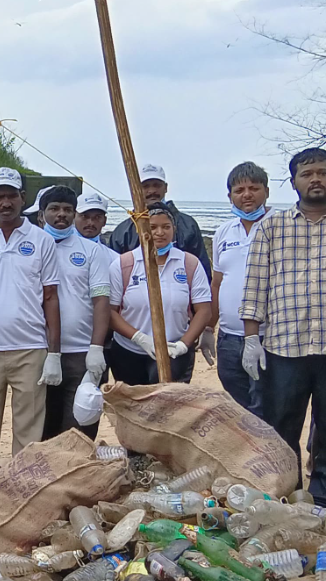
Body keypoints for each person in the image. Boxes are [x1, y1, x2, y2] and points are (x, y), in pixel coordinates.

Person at [0, 168, 61, 485]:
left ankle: (21, 498)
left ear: (23, 198)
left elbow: (50, 297)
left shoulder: (42, 241)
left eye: (11, 195)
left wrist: (54, 353)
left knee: (28, 435)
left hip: (30, 351)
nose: (5, 202)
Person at [241, 147, 326, 499]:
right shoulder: (272, 227)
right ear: (293, 182)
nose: (316, 179)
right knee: (282, 426)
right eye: (307, 174)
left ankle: (321, 498)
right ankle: (287, 493)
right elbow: (255, 284)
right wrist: (250, 339)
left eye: (322, 172)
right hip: (283, 346)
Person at [108, 164, 213, 360]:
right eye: (145, 186)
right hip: (131, 347)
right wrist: (138, 338)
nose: (151, 191)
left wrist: (198, 333)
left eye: (156, 185)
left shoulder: (187, 225)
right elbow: (112, 300)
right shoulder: (123, 231)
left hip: (177, 341)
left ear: (165, 187)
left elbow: (203, 286)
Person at [37, 186, 112, 440]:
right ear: (41, 214)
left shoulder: (91, 251)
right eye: (54, 209)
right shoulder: (33, 247)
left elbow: (102, 300)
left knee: (80, 429)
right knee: (43, 429)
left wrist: (96, 348)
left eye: (68, 210)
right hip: (39, 351)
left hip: (81, 355)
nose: (61, 215)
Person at [212, 162, 271, 418]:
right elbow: (217, 282)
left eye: (253, 188)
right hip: (227, 338)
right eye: (239, 190)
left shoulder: (279, 226)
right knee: (238, 409)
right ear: (230, 196)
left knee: (265, 407)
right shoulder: (223, 232)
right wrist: (207, 329)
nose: (246, 195)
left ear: (266, 192)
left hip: (269, 337)